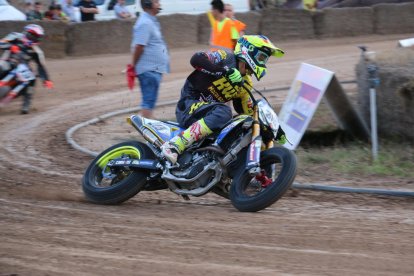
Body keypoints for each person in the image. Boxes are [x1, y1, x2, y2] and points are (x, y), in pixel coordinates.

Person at [160, 35, 284, 164]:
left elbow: (249, 112)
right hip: (189, 105)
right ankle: (174, 145)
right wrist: (224, 71)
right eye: (261, 58)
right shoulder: (225, 57)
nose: (263, 63)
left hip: (208, 116)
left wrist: (272, 128)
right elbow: (196, 59)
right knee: (224, 111)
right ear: (249, 50)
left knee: (240, 126)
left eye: (265, 60)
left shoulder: (245, 83)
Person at [128, 0, 169, 119]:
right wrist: (134, 65)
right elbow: (139, 46)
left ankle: (149, 124)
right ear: (147, 4)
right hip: (148, 69)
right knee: (148, 102)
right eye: (156, 2)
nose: (159, 4)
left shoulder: (151, 21)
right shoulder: (145, 23)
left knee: (150, 102)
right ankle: (146, 128)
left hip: (153, 69)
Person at [0, 24, 54, 114]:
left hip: (21, 68)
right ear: (26, 33)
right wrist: (10, 47)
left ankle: (26, 104)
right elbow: (1, 43)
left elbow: (40, 66)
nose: (33, 38)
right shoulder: (15, 36)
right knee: (2, 66)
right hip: (6, 61)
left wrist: (46, 80)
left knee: (31, 78)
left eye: (36, 37)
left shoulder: (37, 51)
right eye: (32, 35)